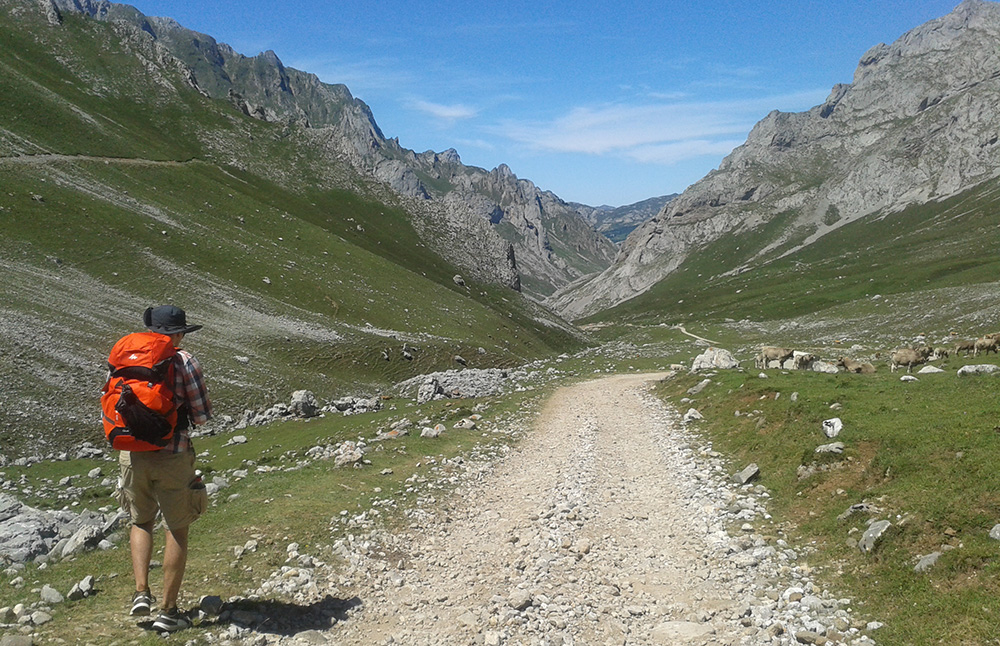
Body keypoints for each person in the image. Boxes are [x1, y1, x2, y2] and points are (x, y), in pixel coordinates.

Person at [117, 305, 212, 632]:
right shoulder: (184, 361)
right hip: (173, 454)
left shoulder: (125, 358)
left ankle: (141, 591)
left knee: (141, 520)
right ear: (178, 333)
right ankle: (168, 612)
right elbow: (200, 413)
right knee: (177, 527)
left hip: (131, 455)